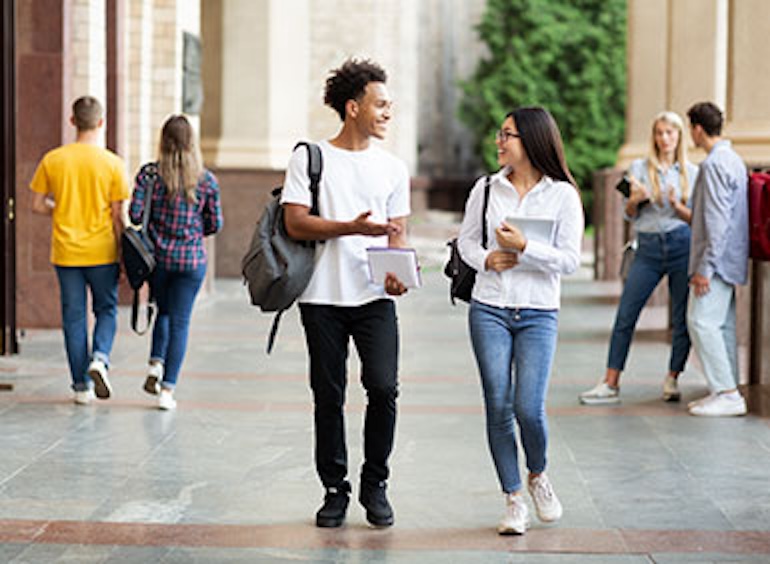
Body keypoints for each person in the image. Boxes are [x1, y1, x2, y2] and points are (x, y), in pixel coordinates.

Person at [281, 58, 411, 529]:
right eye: (380, 104)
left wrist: (398, 271)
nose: (387, 112)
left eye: (389, 105)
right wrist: (348, 229)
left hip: (375, 298)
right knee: (328, 395)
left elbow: (398, 234)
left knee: (383, 387)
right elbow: (295, 221)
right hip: (321, 297)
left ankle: (375, 483)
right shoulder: (310, 157)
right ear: (353, 107)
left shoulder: (394, 168)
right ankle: (334, 489)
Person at [457, 107, 584, 535]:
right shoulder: (486, 189)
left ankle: (538, 475)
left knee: (529, 408)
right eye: (499, 133)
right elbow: (466, 243)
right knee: (498, 404)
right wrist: (486, 259)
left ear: (531, 140)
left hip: (538, 312)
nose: (499, 141)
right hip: (489, 307)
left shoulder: (563, 195)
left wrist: (526, 246)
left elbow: (569, 261)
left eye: (507, 135)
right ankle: (513, 498)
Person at [579, 111, 698, 405]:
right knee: (626, 314)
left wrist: (675, 205)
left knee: (680, 316)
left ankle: (673, 378)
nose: (664, 138)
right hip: (648, 248)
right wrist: (634, 200)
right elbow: (628, 214)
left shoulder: (693, 173)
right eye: (659, 133)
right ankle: (610, 382)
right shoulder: (639, 168)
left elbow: (697, 220)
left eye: (670, 133)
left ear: (679, 136)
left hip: (681, 244)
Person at [29, 96, 129, 405]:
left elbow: (36, 204)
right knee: (106, 310)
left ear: (72, 121)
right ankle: (99, 357)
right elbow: (117, 215)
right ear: (101, 123)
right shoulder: (113, 163)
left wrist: (59, 209)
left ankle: (80, 386)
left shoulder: (54, 160)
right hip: (102, 251)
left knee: (73, 317)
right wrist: (124, 252)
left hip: (66, 252)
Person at [129, 115, 223, 411]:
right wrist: (192, 232)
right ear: (191, 142)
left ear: (163, 141)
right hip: (191, 261)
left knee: (163, 312)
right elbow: (214, 224)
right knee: (180, 320)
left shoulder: (149, 175)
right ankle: (167, 389)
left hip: (158, 260)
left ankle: (156, 362)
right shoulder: (206, 180)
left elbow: (134, 215)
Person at [685, 102, 749, 417]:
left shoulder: (712, 165)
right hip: (732, 259)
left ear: (697, 128)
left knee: (701, 322)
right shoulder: (734, 160)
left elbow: (717, 222)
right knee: (720, 326)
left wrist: (704, 269)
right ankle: (725, 389)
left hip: (717, 262)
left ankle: (726, 392)